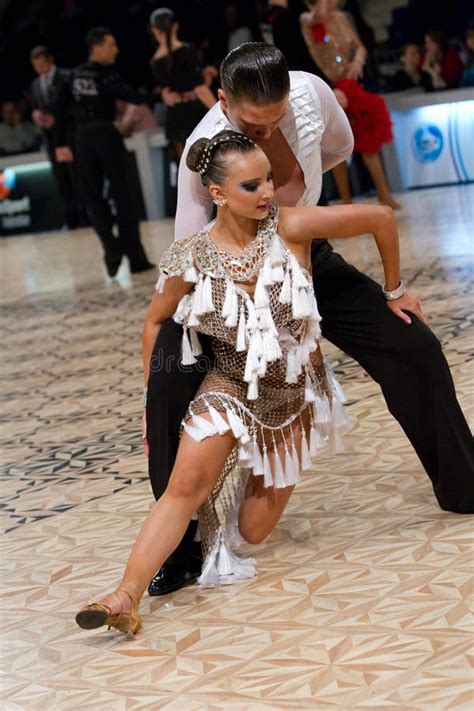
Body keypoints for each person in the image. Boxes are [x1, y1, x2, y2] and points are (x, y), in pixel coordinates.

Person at [146, 42, 474, 598]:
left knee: (412, 343)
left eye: (275, 120)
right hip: (226, 283)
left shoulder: (312, 94)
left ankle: (464, 484)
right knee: (167, 396)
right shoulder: (203, 149)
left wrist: (392, 287)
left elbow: (340, 149)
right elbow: (187, 248)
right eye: (254, 124)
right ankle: (182, 551)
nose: (268, 134)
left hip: (304, 257)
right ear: (224, 101)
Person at [76, 129, 406, 636]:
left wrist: (395, 290)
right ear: (218, 194)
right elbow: (153, 324)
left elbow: (381, 218)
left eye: (269, 179)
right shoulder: (190, 256)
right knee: (184, 485)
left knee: (252, 531)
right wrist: (152, 402)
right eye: (252, 186)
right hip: (228, 386)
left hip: (293, 399)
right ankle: (125, 596)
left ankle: (256, 471)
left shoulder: (292, 227)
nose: (268, 192)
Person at [55, 27, 154, 277]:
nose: (116, 50)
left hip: (83, 139)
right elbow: (132, 95)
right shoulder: (107, 75)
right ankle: (136, 259)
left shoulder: (72, 76)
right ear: (96, 46)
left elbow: (57, 112)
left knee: (92, 198)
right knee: (124, 197)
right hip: (106, 135)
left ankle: (111, 250)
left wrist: (61, 144)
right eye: (112, 45)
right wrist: (153, 91)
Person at [300, 0, 399, 209]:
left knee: (368, 140)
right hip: (330, 86)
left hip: (351, 85)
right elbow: (316, 33)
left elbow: (359, 46)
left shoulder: (341, 18)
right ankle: (346, 200)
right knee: (334, 144)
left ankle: (384, 193)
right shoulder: (308, 20)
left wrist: (358, 62)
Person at [149, 8, 216, 162]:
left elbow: (171, 90)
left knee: (186, 168)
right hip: (196, 113)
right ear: (175, 26)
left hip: (175, 117)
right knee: (211, 163)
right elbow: (199, 88)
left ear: (154, 30)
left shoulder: (155, 61)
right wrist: (219, 112)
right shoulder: (187, 50)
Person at [30, 46, 83, 230]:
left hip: (69, 137)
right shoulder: (36, 84)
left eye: (43, 64)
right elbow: (38, 106)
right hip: (51, 139)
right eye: (36, 66)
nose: (40, 69)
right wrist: (37, 115)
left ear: (50, 60)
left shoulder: (66, 76)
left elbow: (75, 106)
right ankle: (71, 219)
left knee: (77, 176)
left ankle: (86, 217)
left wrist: (57, 117)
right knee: (61, 180)